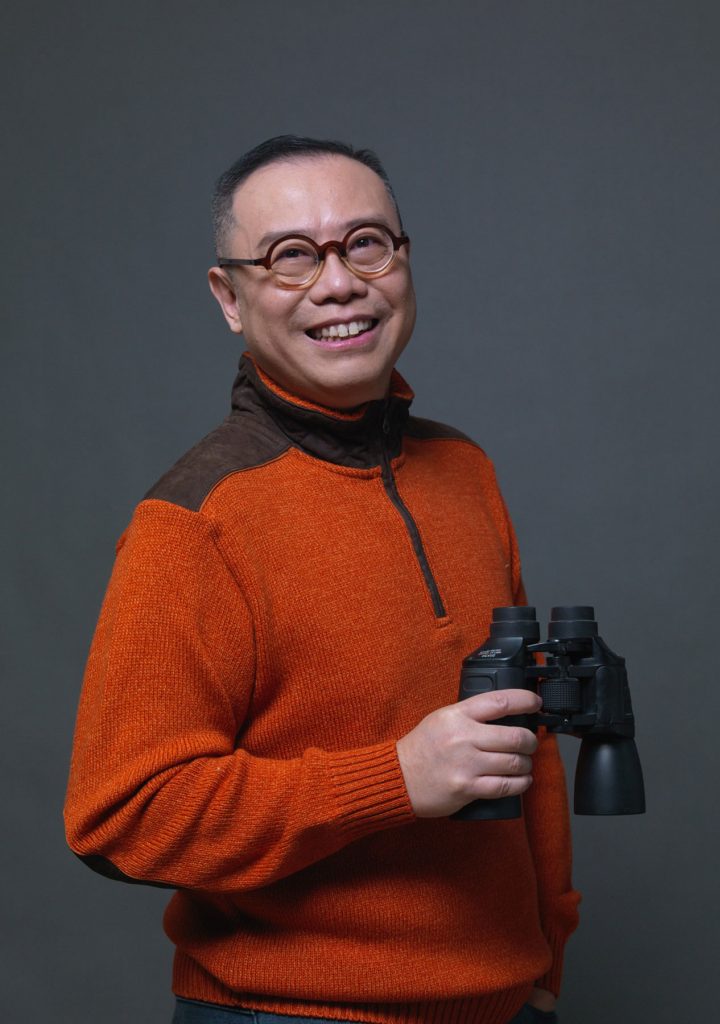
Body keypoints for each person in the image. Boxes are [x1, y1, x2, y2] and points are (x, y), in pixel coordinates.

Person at [64, 135, 580, 1024]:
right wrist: (394, 778)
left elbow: (527, 746)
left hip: (504, 1004)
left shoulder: (465, 472)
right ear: (230, 298)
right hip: (289, 1011)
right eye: (290, 257)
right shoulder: (196, 520)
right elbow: (123, 816)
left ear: (404, 260)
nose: (339, 284)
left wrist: (547, 956)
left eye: (365, 243)